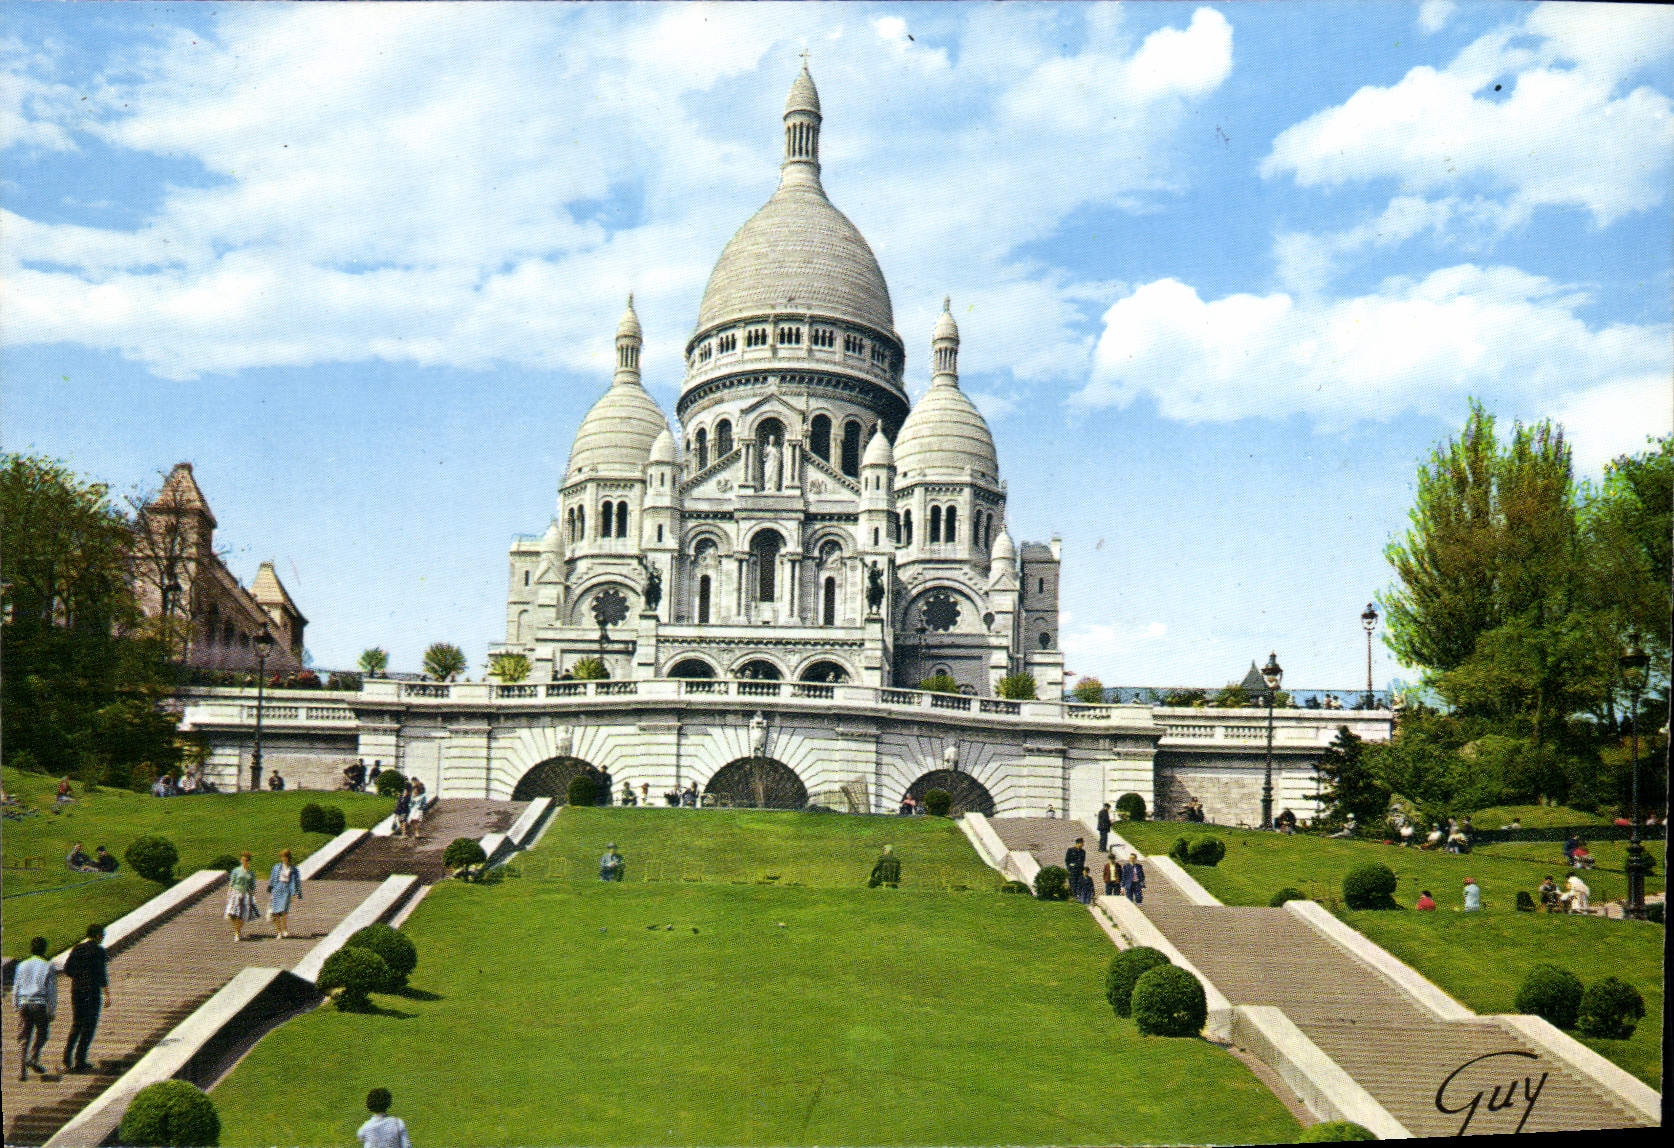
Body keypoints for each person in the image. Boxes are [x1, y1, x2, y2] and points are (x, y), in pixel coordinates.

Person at [61, 924, 109, 1073]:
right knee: (89, 1026)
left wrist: (78, 977)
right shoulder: (99, 951)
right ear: (97, 936)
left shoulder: (77, 949)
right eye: (102, 935)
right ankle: (80, 1059)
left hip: (77, 992)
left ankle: (67, 1057)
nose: (103, 937)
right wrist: (107, 994)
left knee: (77, 1024)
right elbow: (102, 974)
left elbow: (67, 969)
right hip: (92, 992)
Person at [14, 935, 58, 1081]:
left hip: (24, 1003)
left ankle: (22, 1071)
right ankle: (33, 1057)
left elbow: (17, 986)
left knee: (24, 1037)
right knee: (43, 1033)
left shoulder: (22, 965)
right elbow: (51, 990)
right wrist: (51, 1010)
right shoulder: (48, 966)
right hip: (39, 1003)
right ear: (44, 949)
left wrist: (16, 1004)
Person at [268, 848, 302, 939]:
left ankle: (284, 929)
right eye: (282, 857)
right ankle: (278, 932)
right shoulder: (277, 867)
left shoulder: (293, 869)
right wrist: (271, 890)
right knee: (275, 911)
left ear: (288, 857)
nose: (283, 858)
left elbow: (296, 881)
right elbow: (272, 879)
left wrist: (295, 893)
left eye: (285, 857)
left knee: (283, 911)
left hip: (287, 890)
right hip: (277, 889)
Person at [226, 852, 261, 941]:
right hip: (236, 894)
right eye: (242, 860)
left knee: (243, 915)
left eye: (245, 860)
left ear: (248, 861)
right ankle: (237, 932)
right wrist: (229, 893)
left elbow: (253, 886)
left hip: (246, 895)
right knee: (233, 914)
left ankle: (238, 931)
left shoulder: (251, 873)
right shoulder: (236, 870)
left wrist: (253, 896)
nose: (244, 861)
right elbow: (232, 882)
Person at [1064, 837, 1087, 903]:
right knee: (1073, 884)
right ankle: (1074, 897)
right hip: (1072, 871)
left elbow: (1083, 862)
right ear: (1078, 843)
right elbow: (1067, 860)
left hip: (1080, 871)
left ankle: (1078, 897)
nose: (1083, 844)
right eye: (1082, 843)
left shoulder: (1083, 852)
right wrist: (1069, 867)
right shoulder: (1070, 850)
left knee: (1079, 884)